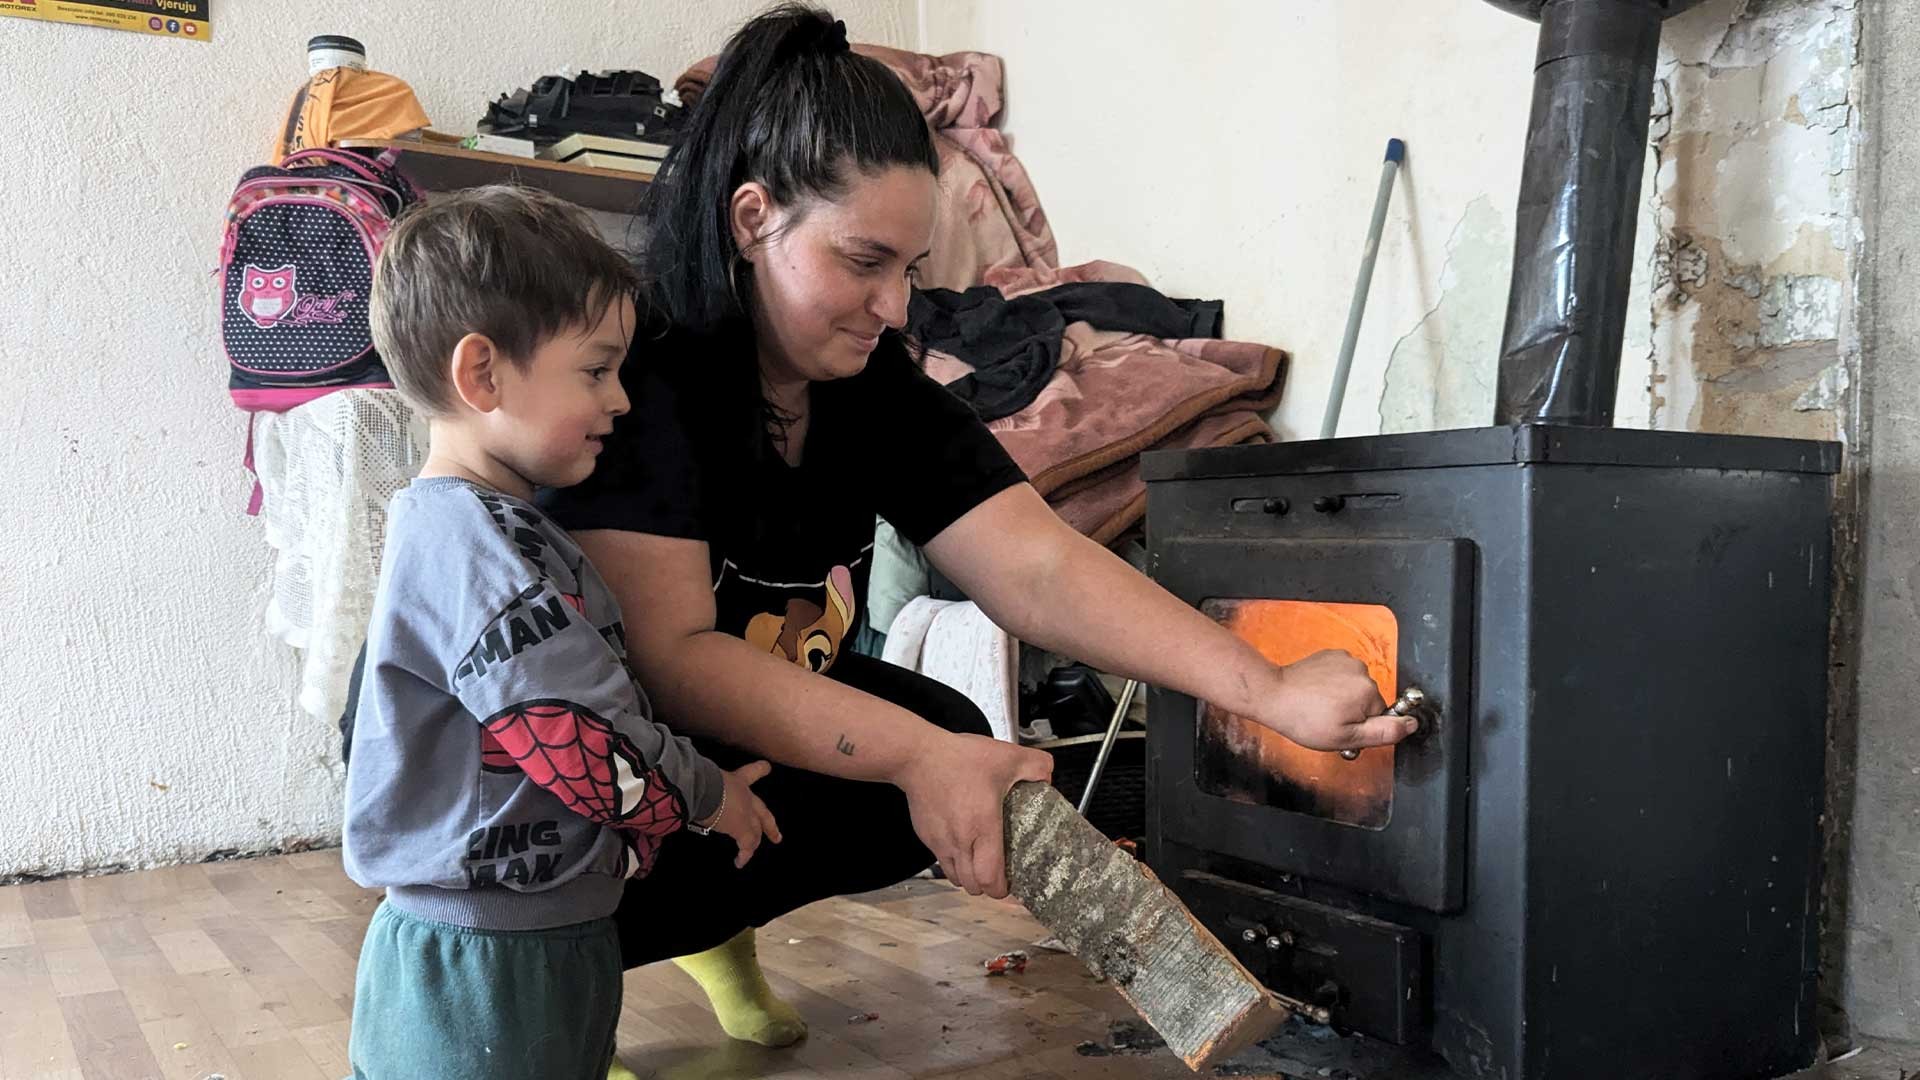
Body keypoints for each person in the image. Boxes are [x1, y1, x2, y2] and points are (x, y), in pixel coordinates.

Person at [538, 5, 1417, 1062]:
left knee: (950, 736)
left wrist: (1264, 687)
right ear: (752, 217)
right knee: (916, 753)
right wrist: (919, 759)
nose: (896, 305)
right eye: (865, 262)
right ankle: (550, 998)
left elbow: (1039, 567)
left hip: (719, 735)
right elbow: (671, 663)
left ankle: (713, 931)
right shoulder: (644, 383)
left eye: (910, 268)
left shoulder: (869, 388)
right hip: (559, 744)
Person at [340, 185, 780, 1080]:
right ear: (483, 376)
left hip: (543, 933)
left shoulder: (502, 528)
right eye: (596, 370)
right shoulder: (469, 542)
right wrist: (708, 794)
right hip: (486, 966)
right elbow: (582, 727)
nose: (621, 400)